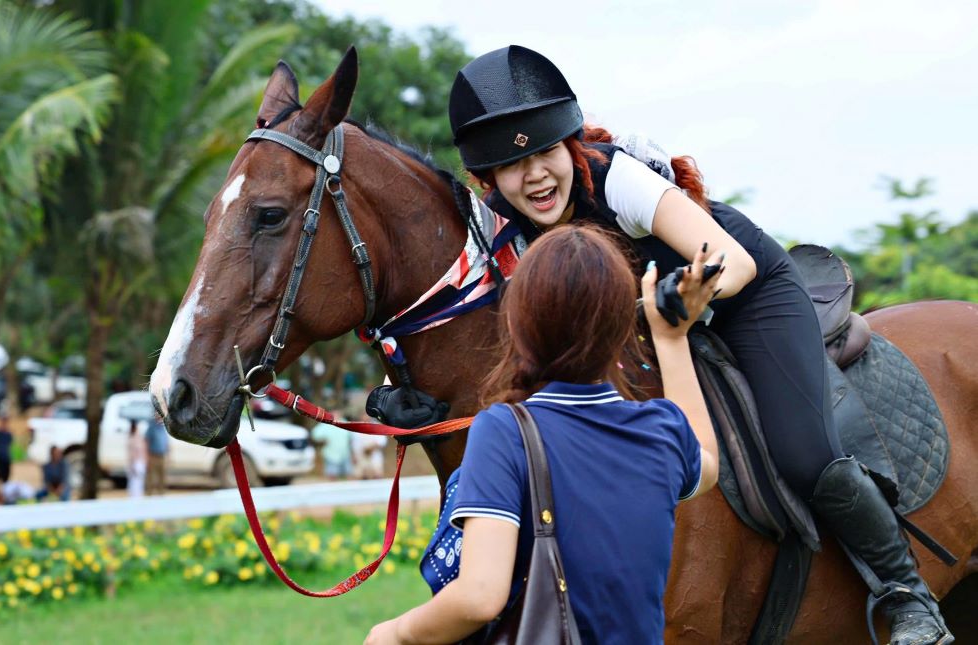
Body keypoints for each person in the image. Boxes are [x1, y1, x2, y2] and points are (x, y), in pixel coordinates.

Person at [440, 45, 952, 645]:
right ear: (487, 178)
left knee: (802, 450)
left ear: (571, 145)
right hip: (653, 327)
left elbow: (729, 264)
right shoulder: (493, 225)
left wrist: (663, 306)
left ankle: (907, 594)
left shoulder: (617, 177)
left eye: (547, 151)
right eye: (511, 163)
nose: (535, 175)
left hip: (746, 298)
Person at [365, 225, 719, 644]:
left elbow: (480, 597)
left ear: (517, 322)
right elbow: (707, 461)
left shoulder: (503, 431)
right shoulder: (661, 429)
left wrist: (396, 633)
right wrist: (672, 337)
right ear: (623, 328)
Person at [351, 415, 387, 480]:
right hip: (361, 454)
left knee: (377, 474)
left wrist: (371, 448)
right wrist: (355, 455)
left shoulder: (377, 426)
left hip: (375, 455)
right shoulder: (358, 426)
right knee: (362, 475)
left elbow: (382, 442)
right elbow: (355, 443)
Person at [145, 417, 169, 495]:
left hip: (162, 455)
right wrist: (147, 457)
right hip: (153, 455)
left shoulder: (163, 428)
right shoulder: (151, 427)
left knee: (162, 477)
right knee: (151, 477)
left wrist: (168, 455)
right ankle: (149, 494)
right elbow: (147, 442)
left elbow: (166, 442)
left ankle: (161, 495)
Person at [127, 421, 146, 498]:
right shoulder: (139, 438)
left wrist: (132, 464)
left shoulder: (133, 439)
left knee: (135, 481)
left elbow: (134, 453)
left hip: (136, 462)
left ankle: (135, 496)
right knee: (137, 481)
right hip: (139, 462)